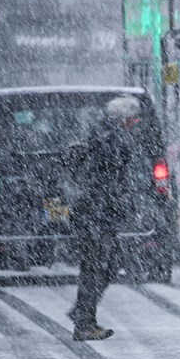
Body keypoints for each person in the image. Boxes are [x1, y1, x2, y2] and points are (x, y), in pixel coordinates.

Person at [68, 96, 143, 341]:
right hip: (97, 213)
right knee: (98, 265)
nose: (136, 122)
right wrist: (117, 200)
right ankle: (84, 321)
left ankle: (83, 315)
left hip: (93, 212)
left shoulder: (101, 134)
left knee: (100, 265)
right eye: (134, 118)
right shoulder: (112, 140)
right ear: (125, 118)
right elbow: (107, 180)